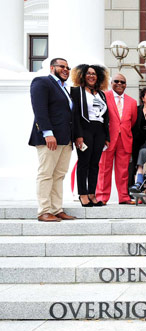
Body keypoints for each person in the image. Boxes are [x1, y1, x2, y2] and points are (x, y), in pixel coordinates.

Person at [29, 57, 76, 222]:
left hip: (65, 139)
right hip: (50, 138)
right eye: (61, 66)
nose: (65, 69)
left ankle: (57, 209)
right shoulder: (42, 82)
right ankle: (44, 211)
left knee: (59, 175)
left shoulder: (64, 88)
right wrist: (47, 133)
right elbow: (39, 109)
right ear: (52, 67)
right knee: (46, 174)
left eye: (68, 67)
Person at [70, 64, 110, 207]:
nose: (91, 76)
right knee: (83, 163)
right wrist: (78, 135)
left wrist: (107, 137)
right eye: (88, 73)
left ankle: (92, 194)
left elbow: (106, 117)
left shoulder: (101, 94)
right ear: (82, 75)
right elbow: (75, 116)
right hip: (85, 129)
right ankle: (83, 194)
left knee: (95, 164)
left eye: (94, 74)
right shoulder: (76, 91)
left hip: (99, 130)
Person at [96, 73, 137, 204]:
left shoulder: (132, 101)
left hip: (124, 139)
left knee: (123, 171)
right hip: (107, 139)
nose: (119, 84)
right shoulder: (103, 96)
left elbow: (133, 121)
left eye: (123, 82)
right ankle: (102, 197)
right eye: (116, 81)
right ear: (111, 82)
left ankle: (124, 197)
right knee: (104, 169)